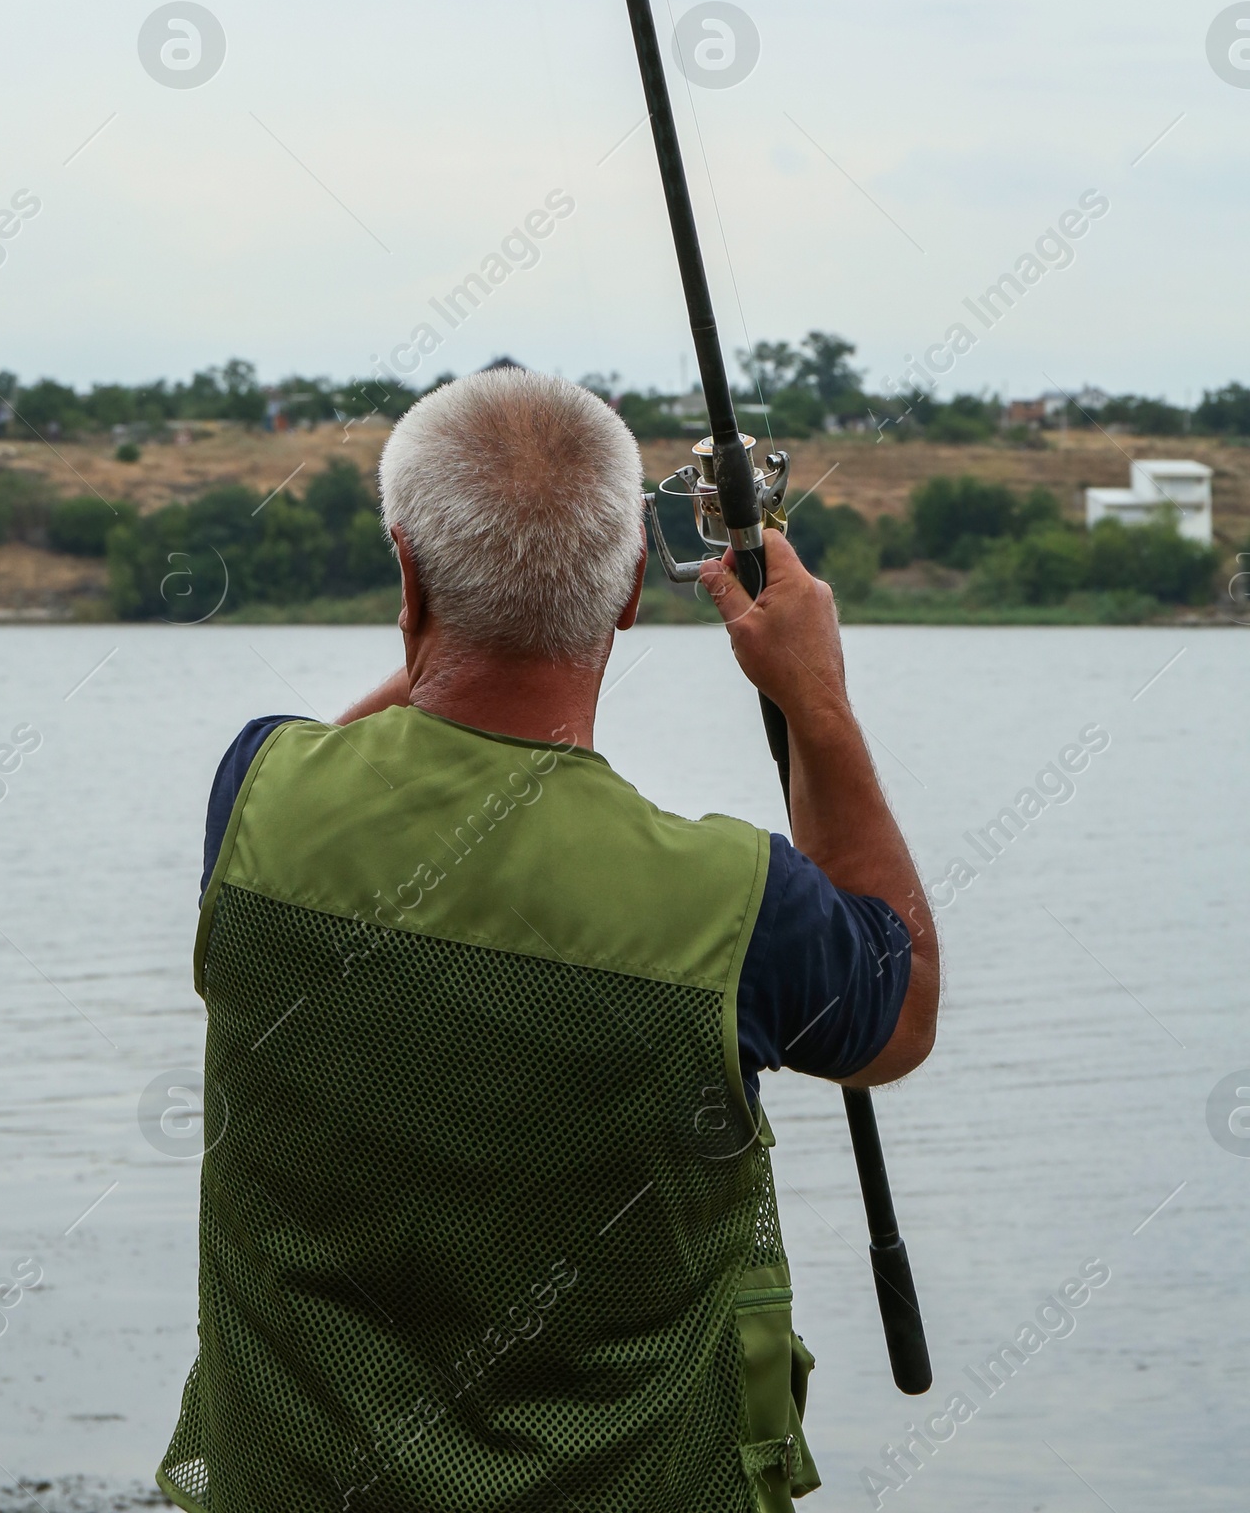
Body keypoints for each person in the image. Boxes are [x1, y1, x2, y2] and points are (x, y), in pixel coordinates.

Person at [157, 368, 938, 1512]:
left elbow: (360, 749)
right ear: (629, 590)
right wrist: (815, 703)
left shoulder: (258, 793)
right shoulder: (742, 908)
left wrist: (458, 598)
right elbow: (900, 1012)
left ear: (405, 569)